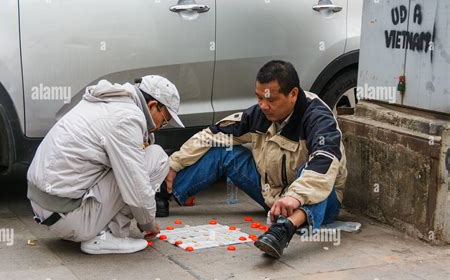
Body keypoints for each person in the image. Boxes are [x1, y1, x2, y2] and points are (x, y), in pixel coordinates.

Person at [160, 60, 347, 259]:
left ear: (293, 94)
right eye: (259, 98)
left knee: (312, 172)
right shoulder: (259, 114)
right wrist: (174, 164)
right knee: (225, 151)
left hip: (319, 201)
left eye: (271, 100)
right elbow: (212, 134)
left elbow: (323, 162)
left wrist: (294, 197)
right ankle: (163, 193)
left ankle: (284, 230)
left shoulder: (318, 118)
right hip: (273, 196)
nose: (263, 106)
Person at [27, 75, 184, 254]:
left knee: (134, 162)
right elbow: (136, 187)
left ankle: (94, 228)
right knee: (157, 157)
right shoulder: (127, 118)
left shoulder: (107, 101)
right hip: (68, 217)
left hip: (45, 209)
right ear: (152, 106)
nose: (159, 127)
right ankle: (109, 236)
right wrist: (148, 222)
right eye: (163, 120)